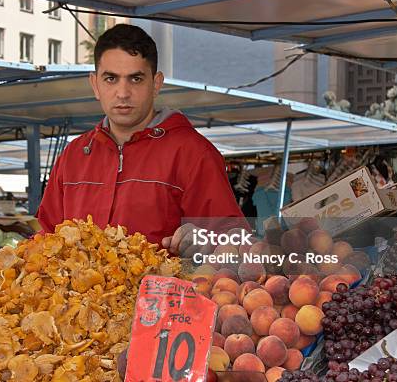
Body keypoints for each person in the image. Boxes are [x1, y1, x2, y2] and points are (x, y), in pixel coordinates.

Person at [36, 24, 245, 256]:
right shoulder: (74, 155)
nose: (123, 93)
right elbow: (47, 237)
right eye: (111, 79)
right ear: (95, 84)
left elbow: (235, 240)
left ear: (156, 84)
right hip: (76, 293)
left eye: (135, 79)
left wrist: (205, 240)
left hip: (164, 292)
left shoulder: (193, 153)